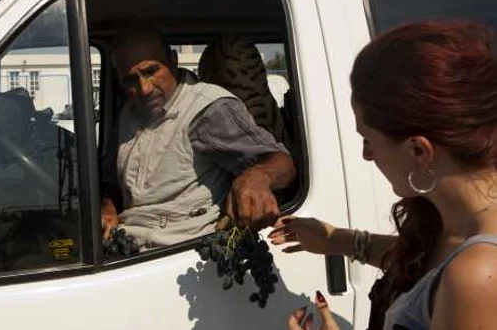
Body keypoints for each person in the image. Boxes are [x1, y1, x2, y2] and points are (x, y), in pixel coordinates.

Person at [269, 21, 497, 330]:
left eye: (368, 140)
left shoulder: (478, 276)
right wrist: (340, 240)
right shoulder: (455, 220)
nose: (366, 155)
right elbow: (425, 259)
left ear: (419, 151)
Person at [101, 29, 296, 249]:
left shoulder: (207, 109)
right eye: (130, 80)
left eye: (151, 71)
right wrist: (108, 206)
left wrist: (258, 176)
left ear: (173, 62)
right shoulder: (127, 115)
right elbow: (115, 184)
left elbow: (283, 163)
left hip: (177, 254)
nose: (144, 89)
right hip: (125, 246)